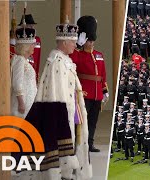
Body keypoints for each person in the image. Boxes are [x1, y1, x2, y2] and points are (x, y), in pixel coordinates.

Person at [25, 20, 92, 179]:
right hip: (61, 111)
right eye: (73, 42)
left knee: (75, 141)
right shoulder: (56, 61)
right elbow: (55, 92)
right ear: (64, 42)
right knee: (63, 146)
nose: (75, 45)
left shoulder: (65, 59)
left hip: (72, 109)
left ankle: (67, 173)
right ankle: (62, 173)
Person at [70, 16, 109, 152]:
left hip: (97, 94)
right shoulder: (78, 54)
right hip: (85, 93)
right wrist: (78, 46)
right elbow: (71, 60)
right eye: (89, 41)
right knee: (81, 121)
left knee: (93, 122)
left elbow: (102, 75)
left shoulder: (99, 55)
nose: (91, 43)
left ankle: (90, 143)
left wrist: (104, 90)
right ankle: (79, 143)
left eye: (92, 41)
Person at [10, 27, 37, 119]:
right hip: (21, 105)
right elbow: (17, 83)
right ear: (26, 46)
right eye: (32, 44)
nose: (34, 46)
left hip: (28, 104)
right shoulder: (19, 60)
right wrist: (21, 103)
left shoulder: (24, 60)